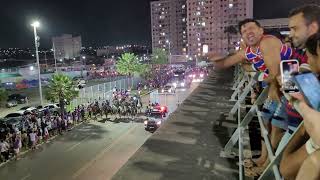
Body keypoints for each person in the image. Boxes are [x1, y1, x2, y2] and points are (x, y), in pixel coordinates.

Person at [208, 18, 292, 174]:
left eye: (251, 28)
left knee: (277, 125)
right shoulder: (248, 51)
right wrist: (217, 59)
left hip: (291, 84)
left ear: (261, 31)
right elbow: (227, 63)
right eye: (244, 31)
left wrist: (270, 84)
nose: (248, 32)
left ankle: (268, 164)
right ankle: (262, 157)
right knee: (265, 120)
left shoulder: (268, 42)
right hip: (278, 85)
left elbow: (276, 72)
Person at [279, 5, 320, 179]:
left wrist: (298, 104)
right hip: (300, 125)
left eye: (294, 28)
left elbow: (287, 169)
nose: (291, 33)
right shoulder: (299, 52)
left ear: (313, 27)